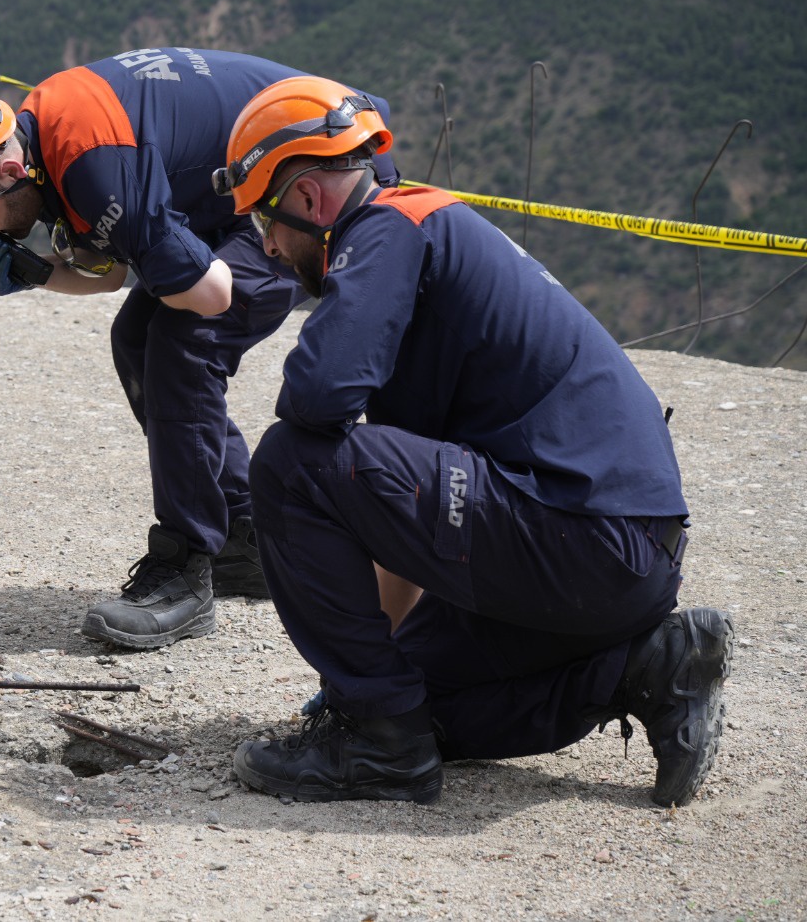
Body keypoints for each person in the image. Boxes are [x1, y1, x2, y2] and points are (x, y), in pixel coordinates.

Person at [215, 75, 733, 806]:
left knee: (289, 461)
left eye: (264, 218)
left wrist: (363, 701)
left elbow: (317, 396)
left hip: (580, 531)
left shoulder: (392, 226)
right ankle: (649, 667)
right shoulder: (428, 235)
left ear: (306, 197)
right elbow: (392, 513)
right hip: (616, 559)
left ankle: (378, 744)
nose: (266, 245)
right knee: (420, 703)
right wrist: (359, 685)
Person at [0, 48, 398, 650]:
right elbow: (107, 269)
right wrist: (37, 271)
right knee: (136, 336)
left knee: (185, 342)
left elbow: (211, 295)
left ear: (5, 173)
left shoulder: (93, 165)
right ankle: (242, 534)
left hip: (322, 173)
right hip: (251, 180)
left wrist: (80, 264)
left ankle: (185, 569)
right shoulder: (43, 139)